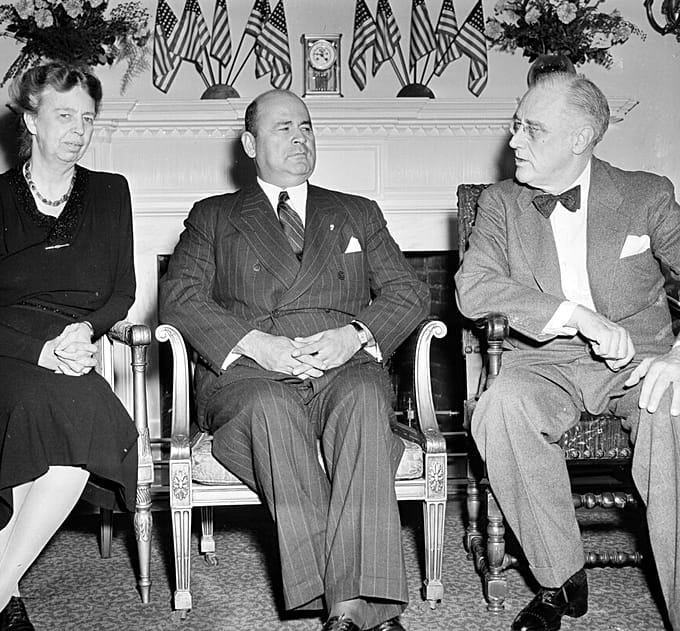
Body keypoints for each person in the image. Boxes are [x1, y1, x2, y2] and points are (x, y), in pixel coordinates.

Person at [159, 89, 430, 631]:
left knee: (363, 399)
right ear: (249, 144)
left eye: (306, 125)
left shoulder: (357, 212)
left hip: (342, 367)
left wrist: (353, 336)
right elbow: (180, 297)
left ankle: (347, 612)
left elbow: (408, 293)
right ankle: (357, 605)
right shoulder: (213, 217)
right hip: (252, 376)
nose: (300, 135)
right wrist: (260, 345)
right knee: (271, 410)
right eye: (283, 127)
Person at [0, 62, 138, 631]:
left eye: (87, 118)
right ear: (31, 120)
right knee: (22, 409)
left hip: (70, 347)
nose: (78, 129)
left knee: (81, 419)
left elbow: (122, 291)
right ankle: (0, 604)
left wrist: (82, 333)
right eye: (64, 115)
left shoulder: (112, 193)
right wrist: (38, 350)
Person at [455, 72, 680, 631]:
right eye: (515, 125)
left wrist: (678, 357)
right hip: (541, 359)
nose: (514, 141)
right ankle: (558, 577)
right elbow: (474, 287)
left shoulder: (647, 193)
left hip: (638, 361)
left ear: (580, 139)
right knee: (501, 407)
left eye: (532, 129)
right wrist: (573, 315)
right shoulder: (501, 203)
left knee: (671, 406)